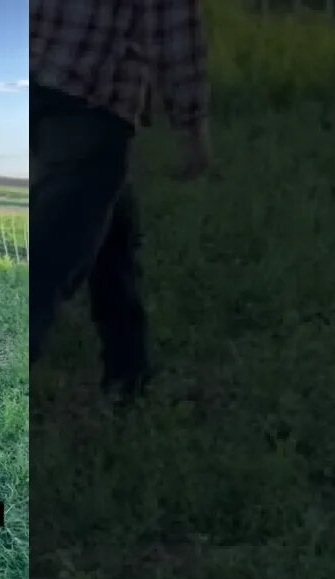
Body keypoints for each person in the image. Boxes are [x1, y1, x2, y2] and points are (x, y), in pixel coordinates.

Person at [30, 0, 212, 403]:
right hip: (90, 98)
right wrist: (192, 125)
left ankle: (129, 377)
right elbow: (172, 25)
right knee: (47, 261)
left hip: (38, 83)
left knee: (112, 235)